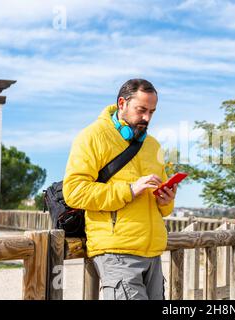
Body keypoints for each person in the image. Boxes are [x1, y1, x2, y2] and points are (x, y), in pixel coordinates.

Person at [63, 79, 176, 300]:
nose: (146, 118)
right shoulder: (91, 137)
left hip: (153, 253)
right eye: (141, 110)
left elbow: (164, 207)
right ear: (122, 103)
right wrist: (130, 189)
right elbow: (74, 192)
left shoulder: (153, 145)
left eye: (152, 112)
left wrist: (166, 200)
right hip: (117, 252)